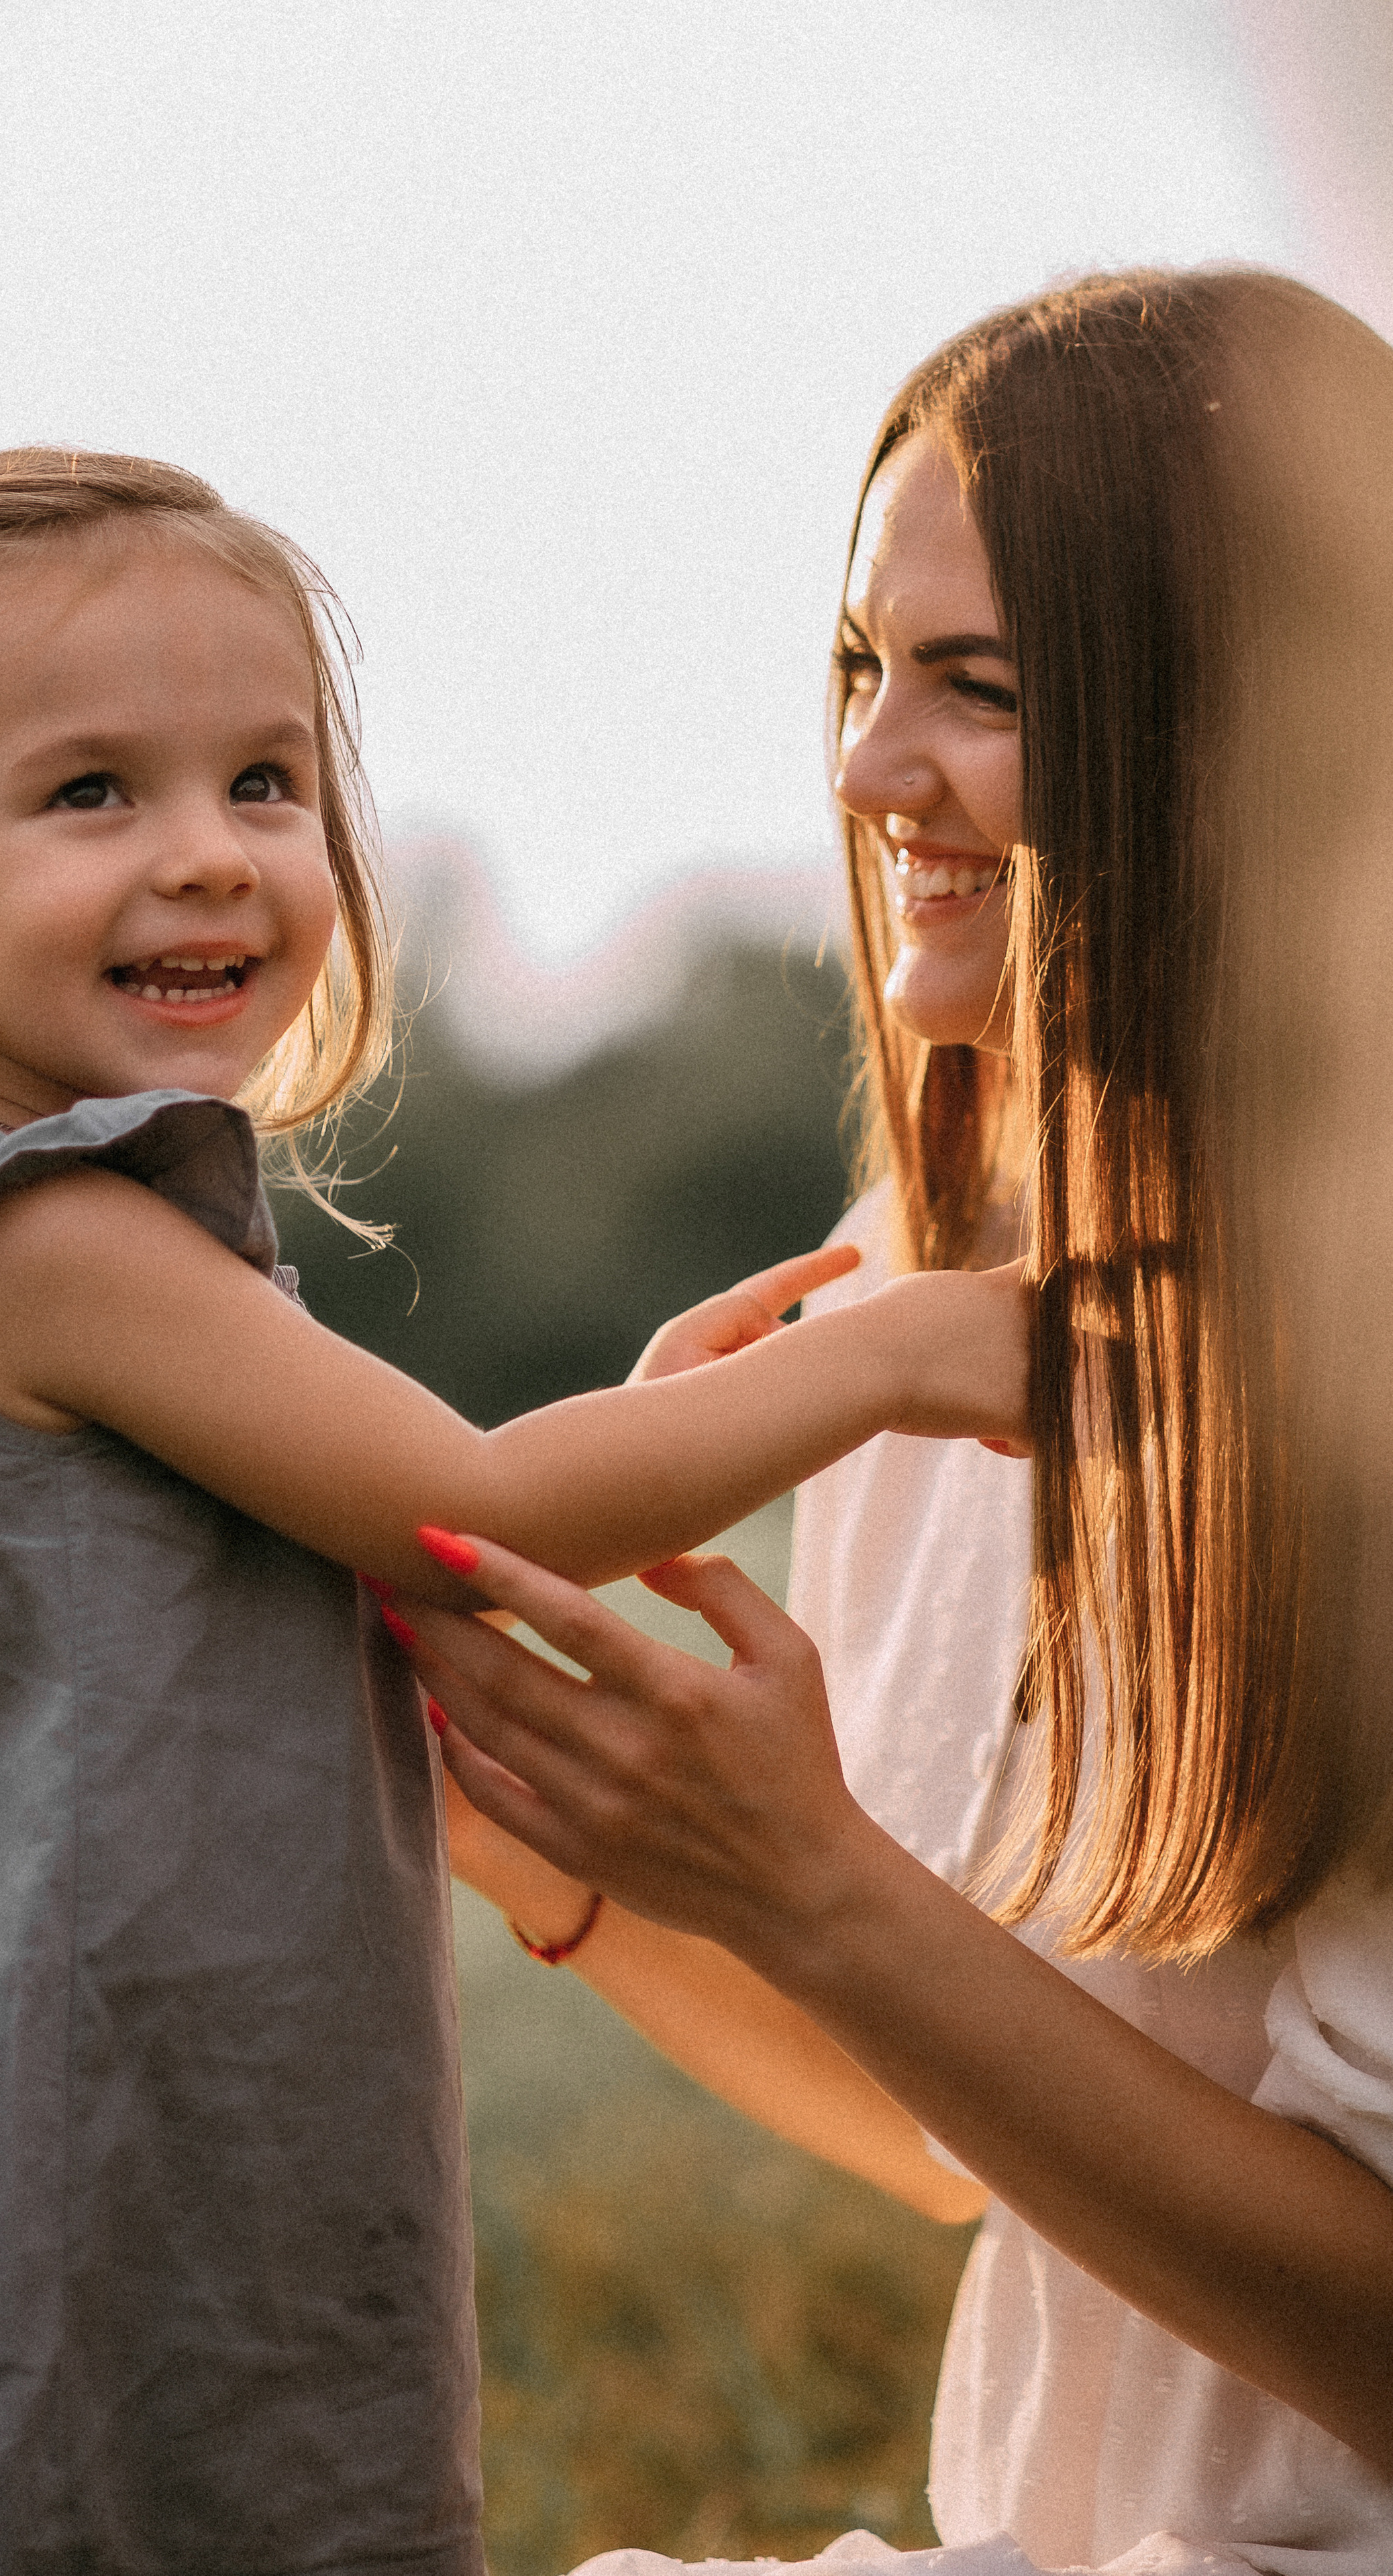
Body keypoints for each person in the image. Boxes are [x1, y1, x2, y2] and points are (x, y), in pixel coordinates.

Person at [0, 449, 1027, 2575]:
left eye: (266, 783)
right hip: (93, 2177)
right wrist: (904, 1351)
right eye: (91, 794)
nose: (210, 858)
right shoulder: (41, 1242)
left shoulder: (118, 1242)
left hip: (204, 2121)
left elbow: (384, 1504)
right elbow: (478, 1518)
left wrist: (660, 1416)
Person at [406, 271, 1393, 2573]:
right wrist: (552, 1811)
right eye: (863, 670)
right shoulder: (897, 1307)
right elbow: (991, 2146)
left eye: (985, 689)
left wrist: (819, 1889)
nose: (864, 773)